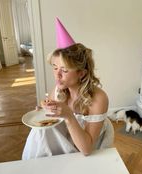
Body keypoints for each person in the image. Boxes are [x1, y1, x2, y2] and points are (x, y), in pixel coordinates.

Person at [22, 18, 114, 160]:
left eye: (64, 70)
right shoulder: (59, 91)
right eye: (55, 67)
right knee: (39, 132)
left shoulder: (98, 99)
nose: (57, 75)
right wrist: (44, 112)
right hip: (62, 147)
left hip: (86, 150)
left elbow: (86, 149)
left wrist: (69, 115)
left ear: (81, 73)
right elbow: (51, 125)